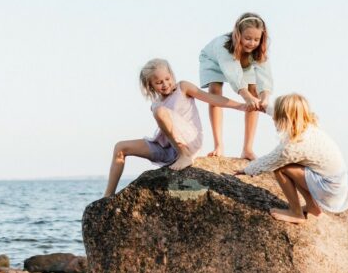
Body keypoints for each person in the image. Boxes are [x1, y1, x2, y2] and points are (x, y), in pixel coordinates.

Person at [104, 58, 252, 198]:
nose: (165, 84)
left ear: (172, 75)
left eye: (167, 79)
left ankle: (184, 155)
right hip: (167, 148)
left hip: (189, 143)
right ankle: (107, 196)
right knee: (120, 147)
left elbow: (212, 99)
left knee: (160, 111)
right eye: (159, 82)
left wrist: (241, 106)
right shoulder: (155, 104)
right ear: (150, 86)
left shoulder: (183, 87)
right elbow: (165, 130)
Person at [236, 93, 348, 224]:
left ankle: (296, 213)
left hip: (329, 189)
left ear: (285, 119)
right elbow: (282, 112)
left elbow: (270, 161)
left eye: (276, 117)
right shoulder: (309, 128)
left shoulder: (294, 146)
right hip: (336, 184)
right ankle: (312, 207)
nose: (273, 119)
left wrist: (246, 170)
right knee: (297, 166)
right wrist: (264, 107)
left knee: (280, 168)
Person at [199, 12, 273, 160]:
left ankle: (247, 149)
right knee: (215, 90)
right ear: (237, 34)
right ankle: (218, 145)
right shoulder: (223, 46)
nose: (252, 43)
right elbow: (234, 75)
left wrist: (264, 97)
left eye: (256, 39)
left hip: (244, 63)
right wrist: (246, 97)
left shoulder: (259, 48)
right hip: (214, 61)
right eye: (247, 38)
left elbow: (264, 76)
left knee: (254, 92)